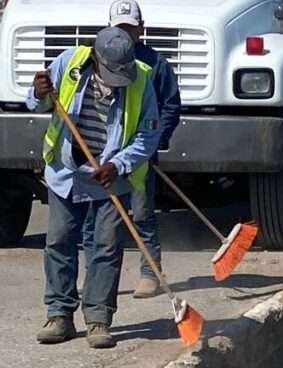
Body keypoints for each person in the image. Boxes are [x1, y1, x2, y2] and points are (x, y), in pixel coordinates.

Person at [29, 27, 160, 348]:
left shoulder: (141, 79)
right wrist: (38, 92)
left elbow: (148, 135)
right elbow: (38, 104)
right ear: (96, 59)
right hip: (66, 171)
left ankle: (98, 318)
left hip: (111, 175)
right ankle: (59, 314)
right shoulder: (69, 62)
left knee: (106, 247)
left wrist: (119, 164)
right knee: (59, 241)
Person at [83, 0, 181, 299]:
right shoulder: (95, 60)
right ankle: (94, 276)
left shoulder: (154, 64)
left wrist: (154, 144)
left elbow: (170, 106)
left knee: (141, 214)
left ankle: (151, 272)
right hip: (101, 155)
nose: (125, 34)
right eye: (119, 28)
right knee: (93, 220)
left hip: (138, 153)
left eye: (130, 28)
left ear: (141, 29)